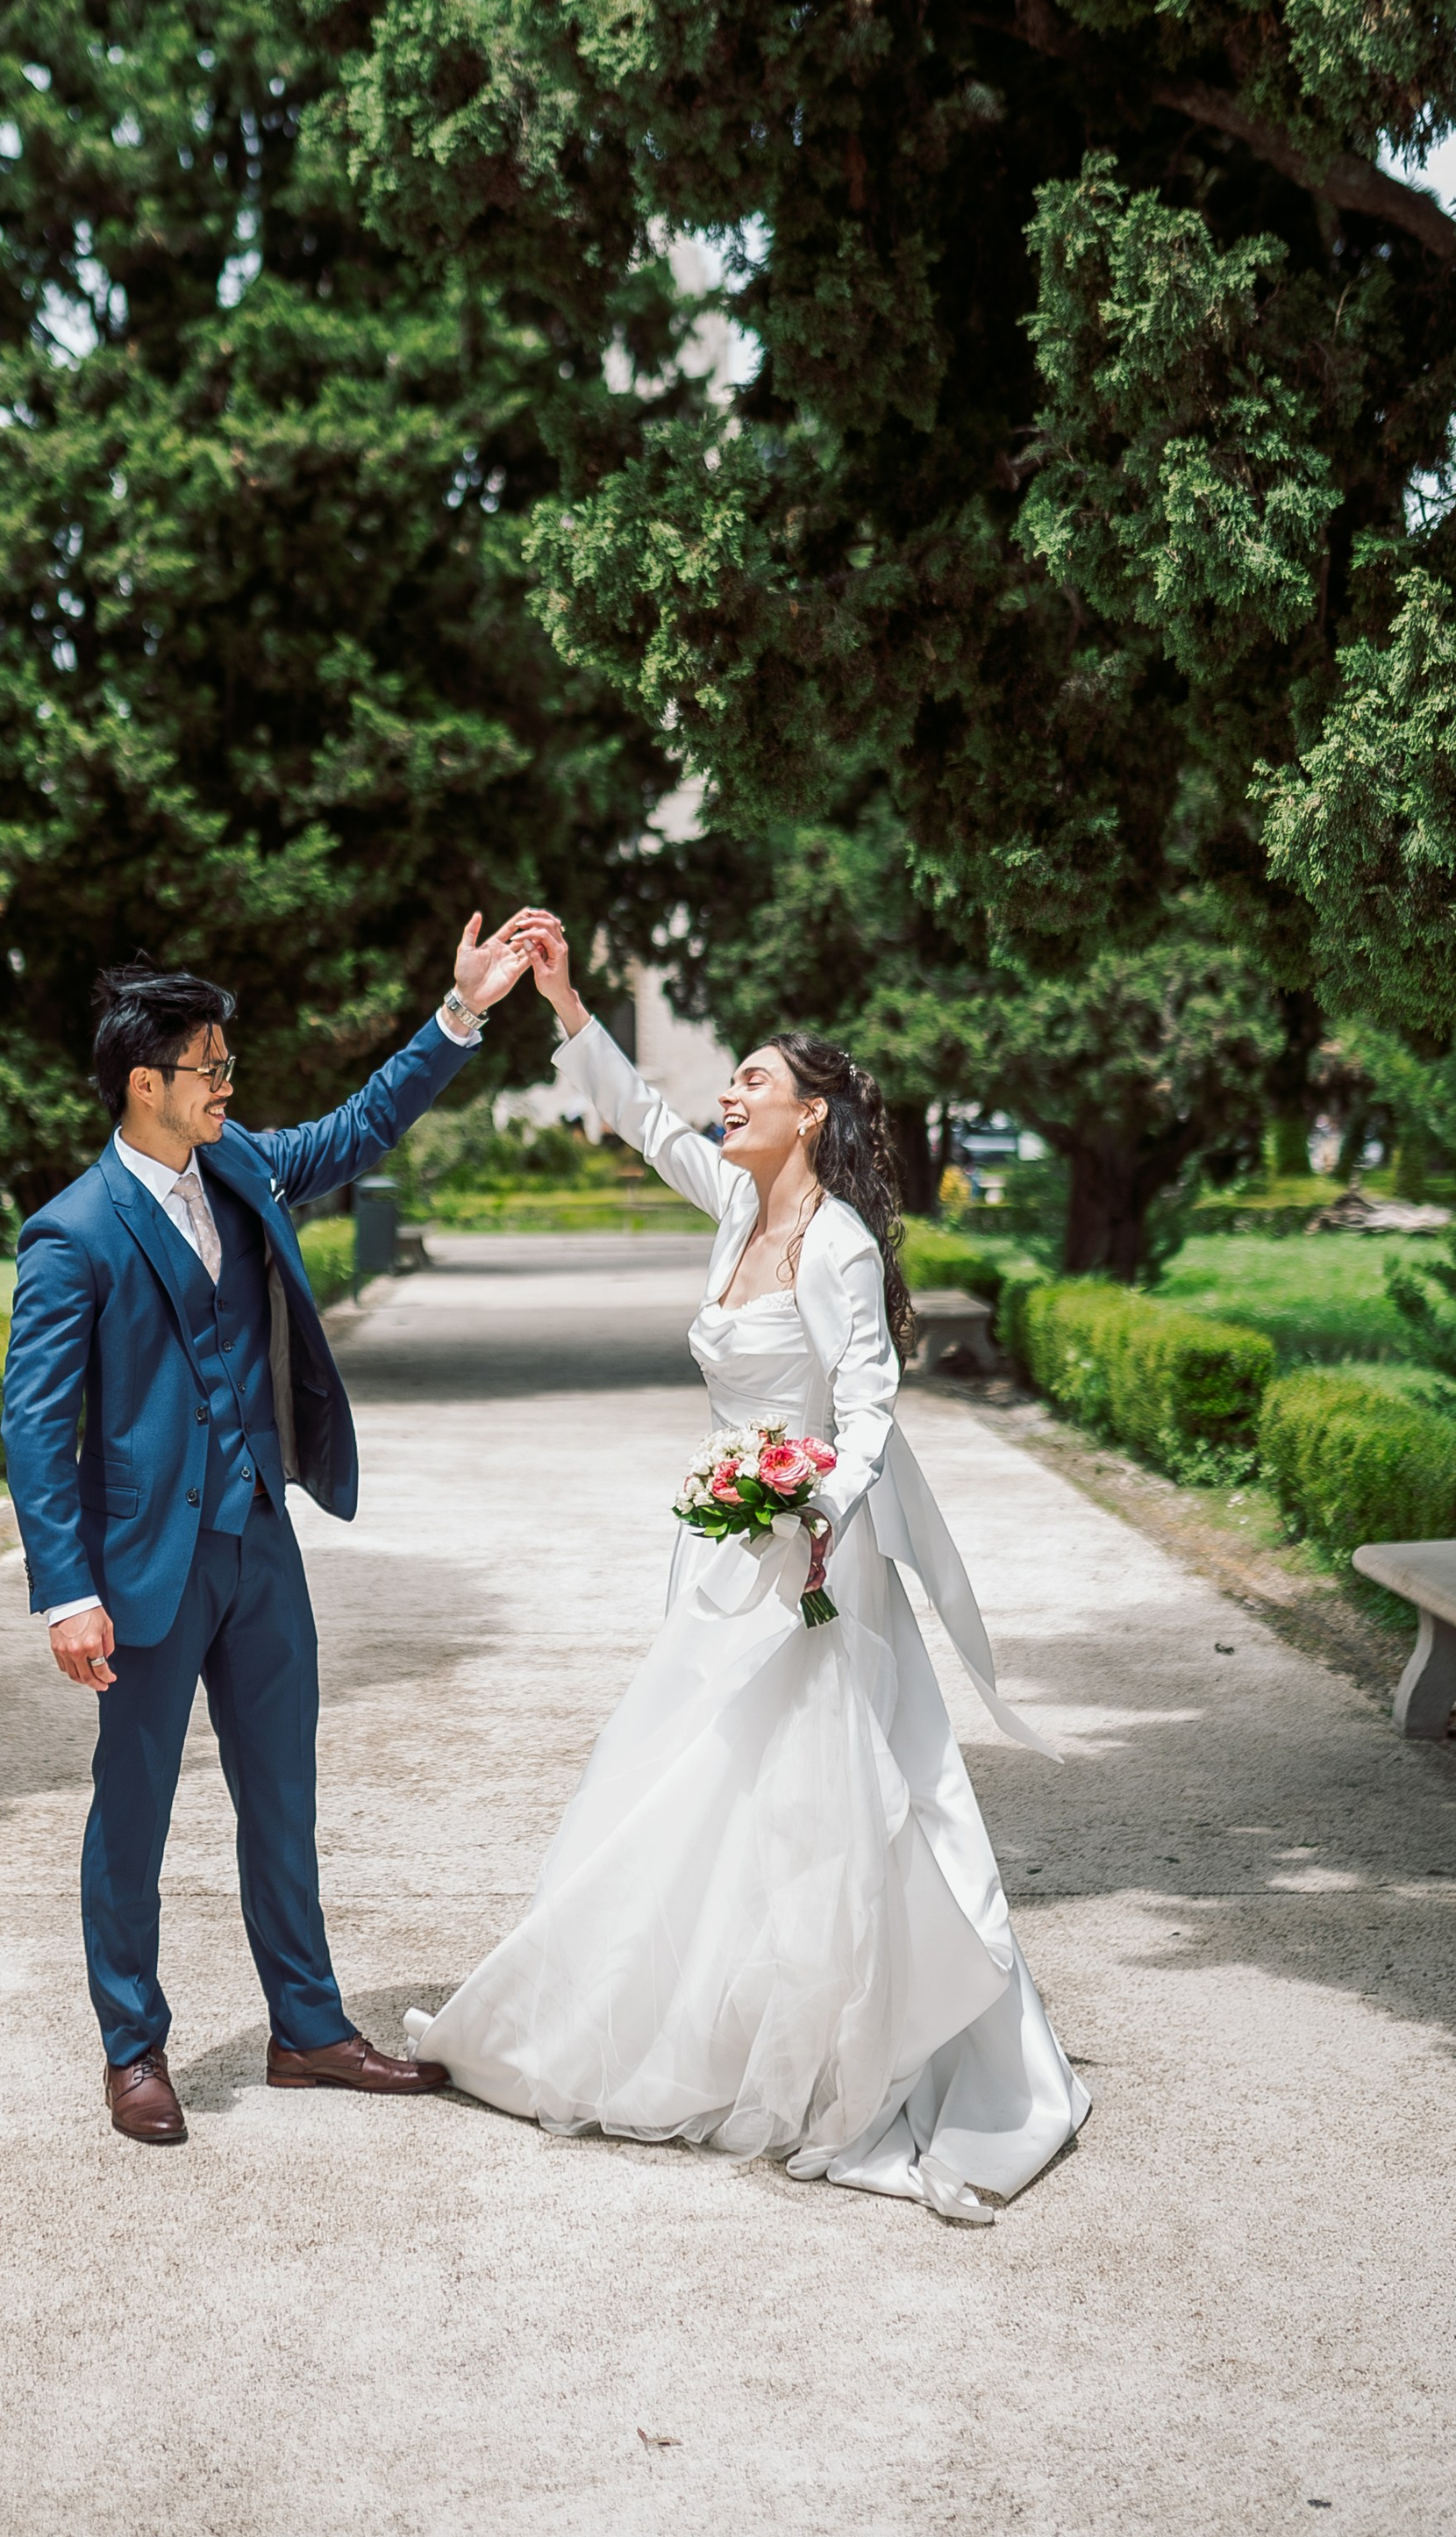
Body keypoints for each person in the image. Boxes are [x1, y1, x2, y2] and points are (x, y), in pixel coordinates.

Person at [411, 923, 1088, 2224]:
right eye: (730, 1082)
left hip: (814, 1559)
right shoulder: (736, 1206)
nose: (728, 1096)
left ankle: (838, 2054)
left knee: (817, 1798)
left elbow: (870, 1405)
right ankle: (699, 2030)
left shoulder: (838, 1244)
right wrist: (563, 1003)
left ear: (810, 1114)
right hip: (718, 1544)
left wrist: (816, 1503)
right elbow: (640, 1117)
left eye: (753, 1082)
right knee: (695, 1772)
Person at [3, 914, 553, 2146]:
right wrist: (66, 1592)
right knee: (132, 1814)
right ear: (143, 1083)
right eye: (208, 1068)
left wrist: (461, 1012)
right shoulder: (71, 1232)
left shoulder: (242, 1164)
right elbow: (35, 1428)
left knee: (283, 1797)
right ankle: (132, 2049)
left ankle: (307, 2029)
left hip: (258, 1544)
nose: (226, 1085)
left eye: (225, 1065)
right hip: (144, 1569)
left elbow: (358, 1127)